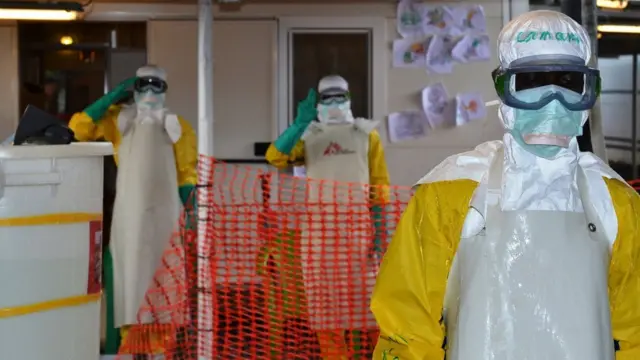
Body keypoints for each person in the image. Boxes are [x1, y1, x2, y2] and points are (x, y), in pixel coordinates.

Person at [371, 10, 640, 360]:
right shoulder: (450, 191)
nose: (552, 102)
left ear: (589, 92)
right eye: (532, 83)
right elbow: (407, 325)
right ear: (503, 88)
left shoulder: (616, 201)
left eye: (569, 83)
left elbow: (634, 326)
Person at [69, 65, 197, 357]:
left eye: (157, 87)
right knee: (129, 284)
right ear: (134, 90)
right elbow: (79, 129)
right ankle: (130, 347)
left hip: (166, 221)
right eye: (143, 86)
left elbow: (187, 173)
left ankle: (162, 350)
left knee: (165, 284)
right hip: (130, 221)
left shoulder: (179, 126)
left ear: (166, 91)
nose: (150, 93)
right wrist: (108, 99)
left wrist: (190, 210)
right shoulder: (118, 121)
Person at [265, 75, 391, 359]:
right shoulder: (308, 136)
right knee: (326, 314)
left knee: (370, 311)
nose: (334, 103)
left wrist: (381, 235)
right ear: (319, 102)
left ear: (349, 98)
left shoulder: (366, 134)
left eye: (339, 96)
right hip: (320, 241)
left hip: (360, 238)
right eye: (327, 98)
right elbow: (274, 157)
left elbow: (379, 187)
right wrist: (298, 124)